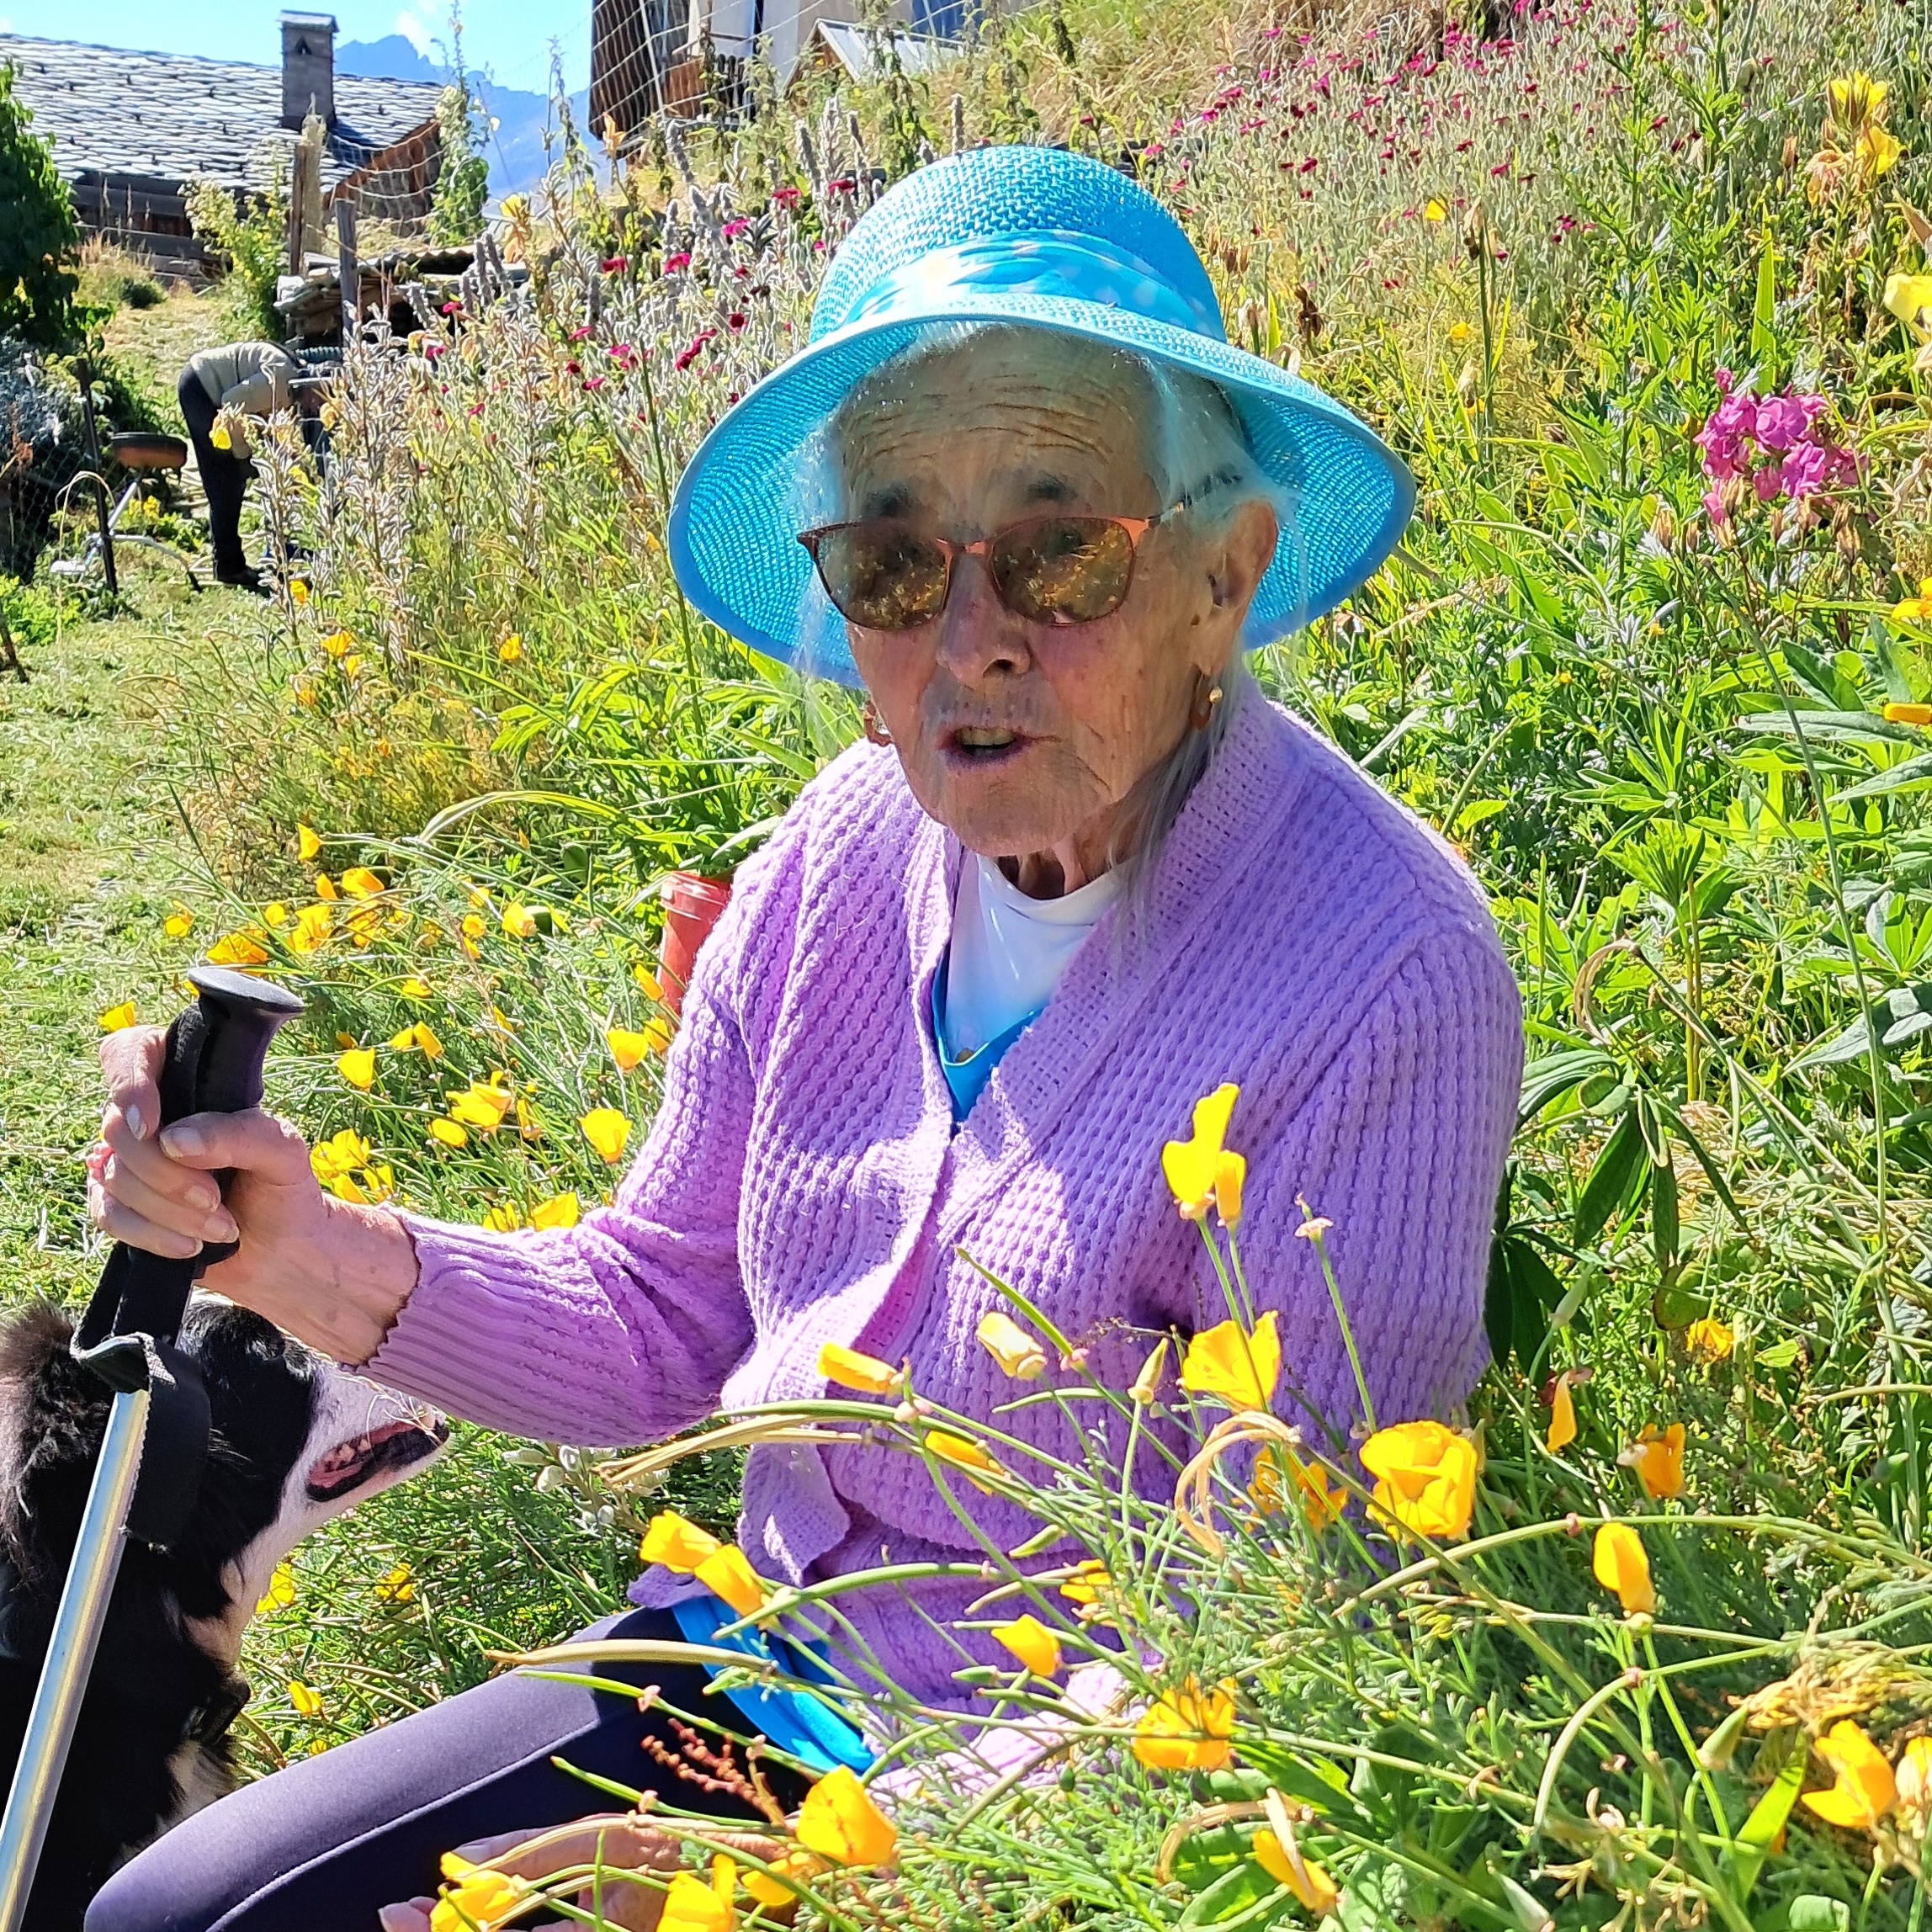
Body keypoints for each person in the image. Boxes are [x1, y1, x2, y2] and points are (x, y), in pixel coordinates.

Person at [87, 148, 1522, 1927]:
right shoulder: (840, 854)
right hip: (740, 1665)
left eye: (1060, 547)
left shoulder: (1381, 969)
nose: (968, 638)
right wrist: (291, 1247)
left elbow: (1273, 1621)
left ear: (1222, 576)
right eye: (895, 561)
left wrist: (797, 1879)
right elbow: (667, 1315)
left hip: (1068, 1804)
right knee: (175, 1912)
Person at [175, 341, 301, 592]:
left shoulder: (291, 389)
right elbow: (231, 403)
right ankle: (230, 568)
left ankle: (233, 564)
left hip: (207, 389)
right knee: (226, 483)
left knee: (231, 481)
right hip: (202, 388)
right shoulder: (282, 381)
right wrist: (244, 456)